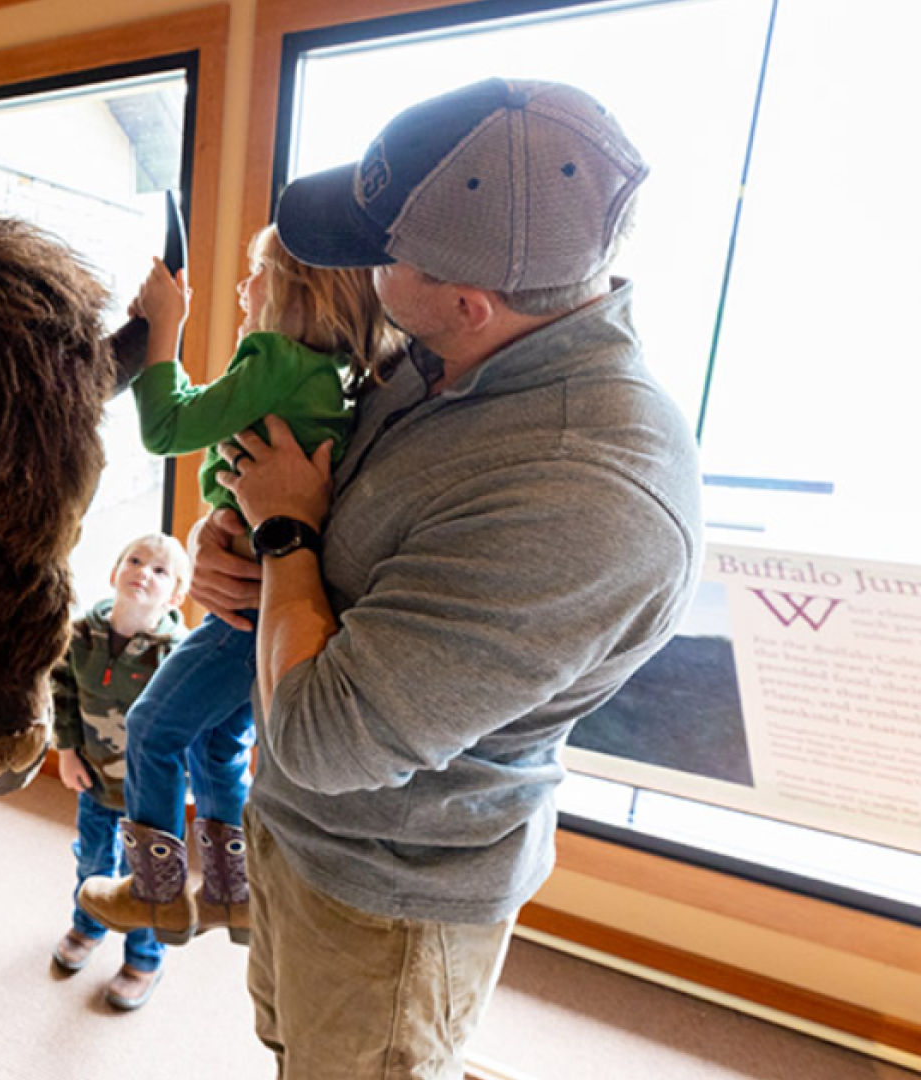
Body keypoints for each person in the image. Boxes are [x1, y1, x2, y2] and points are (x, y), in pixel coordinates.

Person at [206, 78, 704, 1079]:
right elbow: (371, 571)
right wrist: (262, 561)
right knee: (287, 1045)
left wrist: (288, 533)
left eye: (386, 250)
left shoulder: (585, 495)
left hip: (391, 891)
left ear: (471, 302)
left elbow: (321, 738)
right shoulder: (442, 355)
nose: (365, 264)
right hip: (306, 836)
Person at [74, 223, 399, 954]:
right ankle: (231, 892)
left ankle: (155, 894)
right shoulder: (324, 376)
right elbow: (202, 412)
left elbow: (166, 426)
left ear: (296, 293)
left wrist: (166, 325)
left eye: (258, 276)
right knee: (219, 746)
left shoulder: (276, 357)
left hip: (247, 612)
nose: (245, 290)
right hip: (264, 600)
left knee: (155, 728)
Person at [48, 533, 191, 1011]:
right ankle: (88, 924)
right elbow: (61, 694)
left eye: (159, 570)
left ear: (174, 596)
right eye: (134, 560)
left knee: (147, 876)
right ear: (114, 573)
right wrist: (66, 752)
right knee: (92, 861)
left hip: (149, 794)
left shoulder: (175, 652)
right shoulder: (81, 636)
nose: (142, 572)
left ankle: (145, 957)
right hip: (94, 780)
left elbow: (189, 726)